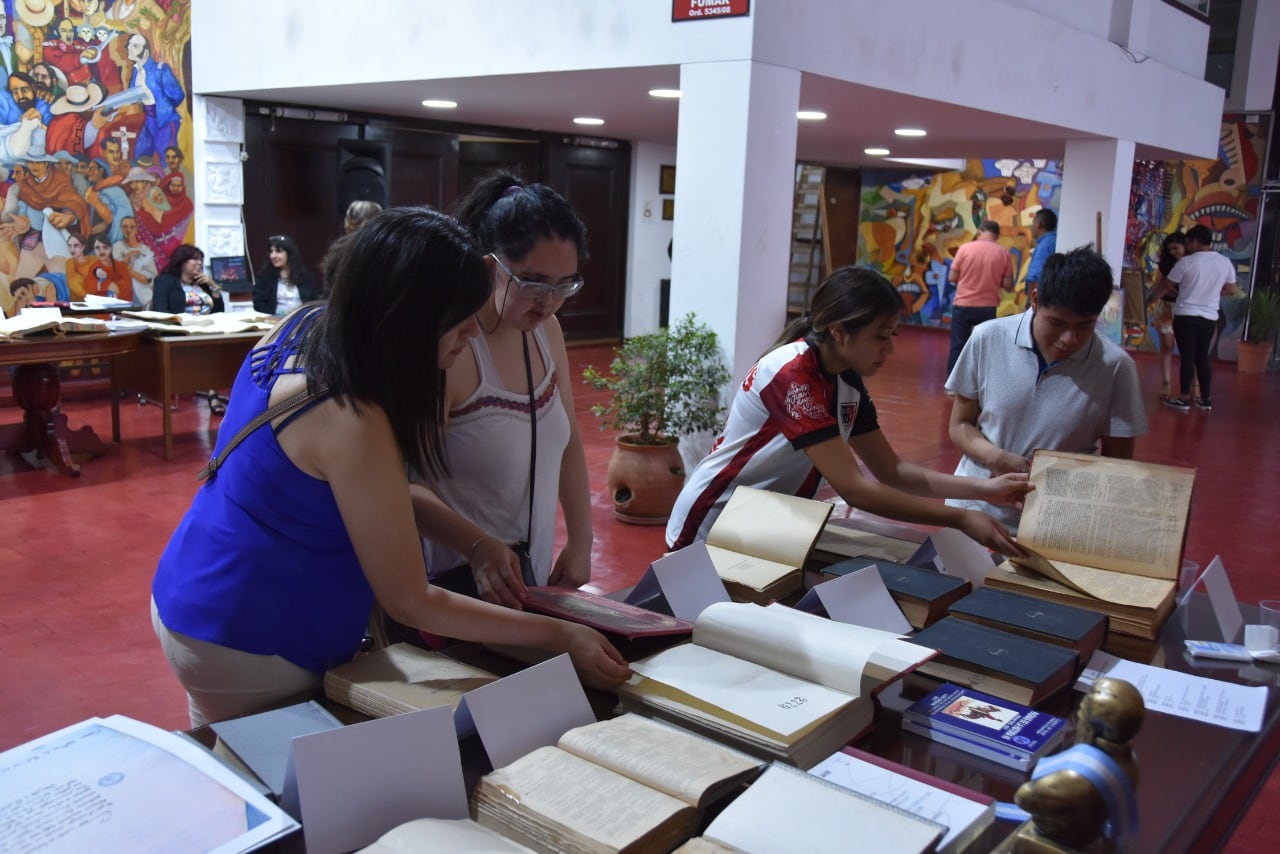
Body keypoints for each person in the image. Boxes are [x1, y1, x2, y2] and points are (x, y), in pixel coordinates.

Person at [150, 206, 629, 726]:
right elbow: (410, 598)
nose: (472, 332)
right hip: (252, 633)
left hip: (195, 586)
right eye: (460, 320)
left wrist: (475, 541)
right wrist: (558, 634)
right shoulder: (351, 415)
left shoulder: (308, 326)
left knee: (232, 762)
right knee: (277, 785)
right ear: (411, 316)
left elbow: (383, 492)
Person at [667, 266, 1030, 556]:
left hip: (765, 521)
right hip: (714, 518)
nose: (888, 350)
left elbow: (893, 470)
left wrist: (985, 490)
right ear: (840, 332)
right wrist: (959, 517)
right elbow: (855, 489)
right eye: (880, 336)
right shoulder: (793, 374)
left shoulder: (847, 381)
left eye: (893, 336)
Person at [411, 173, 592, 608]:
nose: (547, 301)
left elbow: (568, 443)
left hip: (527, 581)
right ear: (491, 266)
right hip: (455, 586)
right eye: (532, 282)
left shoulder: (547, 332)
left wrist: (582, 540)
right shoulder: (452, 346)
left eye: (563, 285)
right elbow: (402, 486)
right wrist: (477, 546)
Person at [945, 246, 1147, 534]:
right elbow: (960, 424)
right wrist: (996, 457)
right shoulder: (988, 338)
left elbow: (1116, 464)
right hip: (975, 508)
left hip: (1054, 524)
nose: (1068, 339)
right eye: (1057, 323)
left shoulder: (1116, 367)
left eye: (1084, 326)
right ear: (1035, 300)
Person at [1163, 224, 1238, 412]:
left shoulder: (1186, 263)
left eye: (1188, 242)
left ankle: (1184, 398)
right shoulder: (1224, 262)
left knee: (1187, 357)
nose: (1186, 246)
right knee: (1202, 357)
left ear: (1195, 241)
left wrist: (1149, 298)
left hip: (1186, 314)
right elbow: (1231, 289)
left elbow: (1166, 286)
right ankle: (1206, 399)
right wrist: (1211, 292)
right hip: (1209, 316)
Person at [946, 219, 1014, 375]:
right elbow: (1007, 284)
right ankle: (980, 381)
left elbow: (952, 277)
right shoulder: (1003, 253)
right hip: (987, 307)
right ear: (996, 235)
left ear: (980, 232)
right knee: (984, 347)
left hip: (963, 304)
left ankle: (953, 384)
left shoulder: (964, 249)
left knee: (958, 345)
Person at [1145, 231, 1187, 402]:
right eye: (1170, 250)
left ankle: (1194, 386)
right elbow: (1157, 285)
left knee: (1189, 349)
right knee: (1167, 346)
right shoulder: (1166, 264)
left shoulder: (1192, 263)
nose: (1173, 253)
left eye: (1176, 248)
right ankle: (1166, 383)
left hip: (1185, 308)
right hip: (1166, 306)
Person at [254, 233, 319, 316]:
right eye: (271, 251)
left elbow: (314, 303)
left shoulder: (305, 277)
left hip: (301, 321)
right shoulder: (264, 278)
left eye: (278, 251)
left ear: (289, 253)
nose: (273, 256)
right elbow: (259, 305)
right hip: (274, 323)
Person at [152, 243, 223, 315]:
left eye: (201, 260)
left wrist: (213, 285)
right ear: (182, 261)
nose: (200, 263)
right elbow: (160, 311)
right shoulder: (164, 281)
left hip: (208, 324)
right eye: (195, 259)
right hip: (179, 324)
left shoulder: (203, 283)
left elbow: (220, 312)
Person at [1024, 208, 1057, 294]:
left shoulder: (1045, 245)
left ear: (1039, 224)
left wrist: (1030, 301)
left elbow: (1035, 276)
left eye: (1033, 223)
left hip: (1038, 297)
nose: (1032, 227)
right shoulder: (1052, 240)